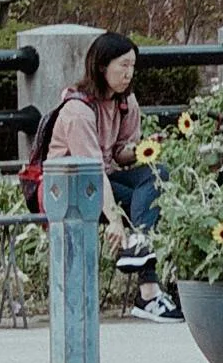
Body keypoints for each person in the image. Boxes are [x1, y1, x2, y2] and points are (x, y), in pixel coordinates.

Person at [42, 31, 159, 279]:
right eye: (123, 65)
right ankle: (148, 287)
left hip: (104, 178)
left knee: (157, 178)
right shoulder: (78, 110)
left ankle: (138, 246)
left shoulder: (125, 102)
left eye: (133, 66)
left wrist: (142, 149)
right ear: (102, 66)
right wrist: (114, 219)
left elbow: (119, 154)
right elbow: (93, 171)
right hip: (70, 185)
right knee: (147, 204)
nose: (129, 73)